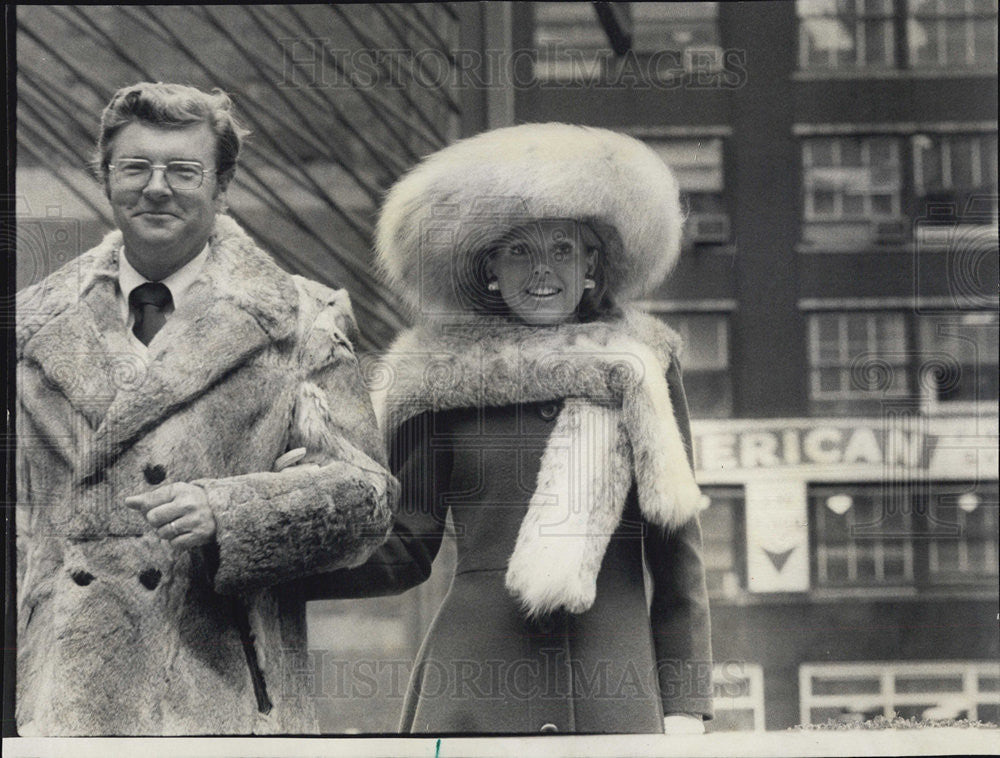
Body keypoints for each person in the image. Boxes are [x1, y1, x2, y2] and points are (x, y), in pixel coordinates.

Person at [15, 82, 396, 735]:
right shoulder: (32, 327)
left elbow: (369, 501)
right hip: (63, 704)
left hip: (224, 700)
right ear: (106, 179)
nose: (156, 187)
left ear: (222, 187)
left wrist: (231, 512)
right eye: (134, 167)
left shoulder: (297, 323)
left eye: (184, 171)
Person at [321, 123, 714, 734]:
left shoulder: (642, 367)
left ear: (591, 266)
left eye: (562, 249)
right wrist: (278, 568)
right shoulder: (435, 378)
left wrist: (686, 704)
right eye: (518, 250)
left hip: (613, 689)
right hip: (475, 686)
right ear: (489, 271)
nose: (542, 271)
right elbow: (403, 549)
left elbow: (677, 558)